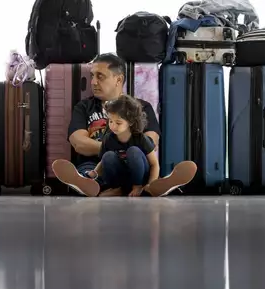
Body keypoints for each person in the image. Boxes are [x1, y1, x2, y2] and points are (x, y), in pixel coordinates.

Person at [51, 52, 194, 196]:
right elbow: (79, 144)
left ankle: (152, 185)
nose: (93, 82)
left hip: (134, 164)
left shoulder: (141, 107)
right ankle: (88, 183)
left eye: (100, 76)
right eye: (92, 76)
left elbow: (151, 141)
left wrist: (121, 148)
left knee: (136, 155)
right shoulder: (84, 107)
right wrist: (115, 147)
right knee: (92, 170)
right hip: (98, 165)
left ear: (118, 80)